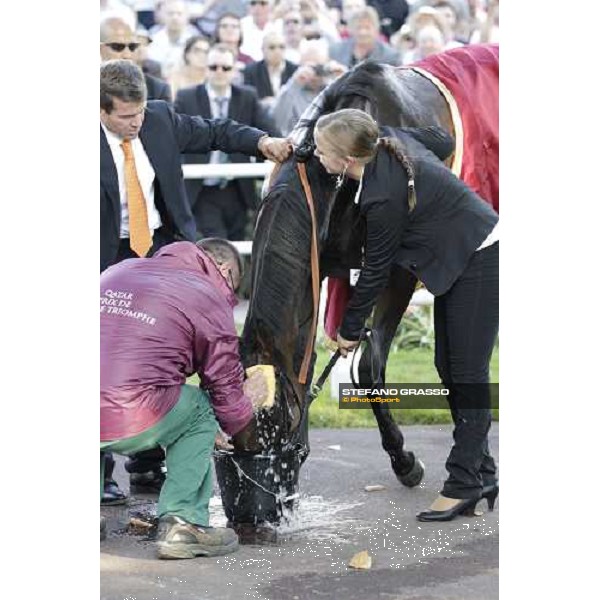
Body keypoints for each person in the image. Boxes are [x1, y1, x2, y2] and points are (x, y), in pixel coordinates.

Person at [100, 59, 291, 498]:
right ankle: (101, 475)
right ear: (101, 111)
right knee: (107, 355)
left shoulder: (161, 120)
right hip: (103, 256)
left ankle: (148, 463)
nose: (136, 123)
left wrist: (262, 142)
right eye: (126, 117)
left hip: (162, 251)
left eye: (140, 113)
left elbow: (215, 131)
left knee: (165, 351)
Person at [312, 108, 499, 522]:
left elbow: (376, 271)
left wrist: (348, 328)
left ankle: (464, 481)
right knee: (446, 365)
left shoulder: (382, 196)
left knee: (466, 372)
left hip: (481, 252)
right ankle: (483, 472)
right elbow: (443, 140)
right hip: (460, 257)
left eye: (322, 150)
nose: (317, 155)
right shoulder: (386, 140)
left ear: (346, 161)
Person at [100, 238, 269, 558]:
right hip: (131, 413)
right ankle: (183, 522)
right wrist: (245, 427)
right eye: (232, 287)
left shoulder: (118, 270)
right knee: (201, 410)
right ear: (223, 269)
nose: (228, 297)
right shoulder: (206, 292)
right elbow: (224, 388)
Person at [175, 44, 281, 240]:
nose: (219, 72)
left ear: (234, 71)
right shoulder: (186, 97)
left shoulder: (247, 96)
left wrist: (280, 146)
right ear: (205, 69)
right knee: (217, 243)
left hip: (238, 187)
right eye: (213, 67)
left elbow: (269, 130)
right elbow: (175, 138)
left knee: (237, 240)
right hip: (201, 187)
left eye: (225, 68)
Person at [270, 39, 346, 136]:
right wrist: (295, 83)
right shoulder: (292, 89)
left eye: (318, 67)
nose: (313, 74)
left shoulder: (334, 88)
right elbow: (277, 121)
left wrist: (346, 78)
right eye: (309, 67)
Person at [100, 17, 173, 102]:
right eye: (117, 47)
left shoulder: (158, 90)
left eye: (132, 47)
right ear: (100, 49)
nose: (127, 55)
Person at [329, 6, 400, 68]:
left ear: (376, 29)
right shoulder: (336, 51)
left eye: (367, 28)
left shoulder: (390, 56)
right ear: (350, 29)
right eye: (358, 27)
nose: (363, 32)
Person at [243, 32, 298, 109]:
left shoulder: (295, 70)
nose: (277, 51)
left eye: (281, 47)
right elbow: (246, 100)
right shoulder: (251, 71)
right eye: (272, 47)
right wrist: (261, 103)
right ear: (262, 50)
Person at [146, 0, 200, 78]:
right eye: (170, 14)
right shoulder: (153, 39)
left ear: (187, 16)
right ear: (162, 16)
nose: (175, 17)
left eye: (179, 13)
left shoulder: (195, 40)